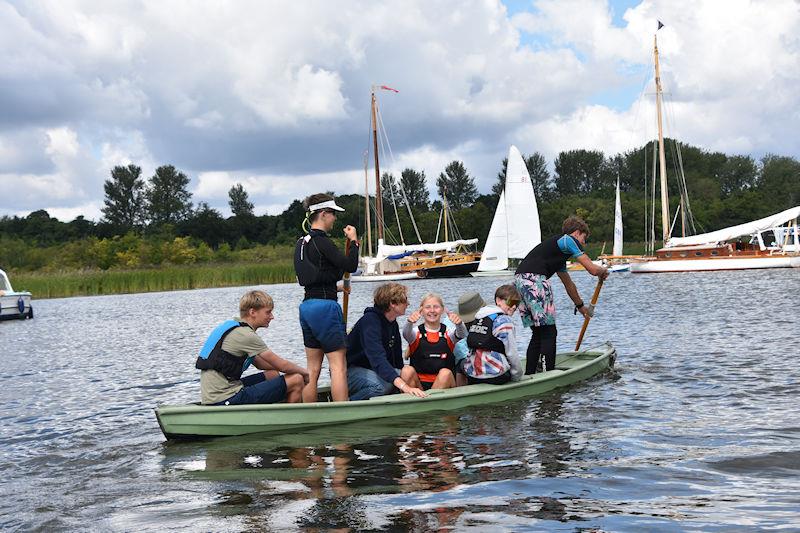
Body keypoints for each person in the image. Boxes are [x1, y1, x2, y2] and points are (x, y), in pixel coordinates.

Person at [514, 215, 609, 374]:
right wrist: (602, 271)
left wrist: (580, 306)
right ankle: (547, 373)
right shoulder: (568, 240)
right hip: (534, 281)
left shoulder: (557, 253)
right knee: (549, 332)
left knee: (538, 333)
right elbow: (592, 269)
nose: (584, 243)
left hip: (519, 283)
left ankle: (530, 374)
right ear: (577, 233)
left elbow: (568, 284)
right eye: (584, 238)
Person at [294, 192, 359, 403]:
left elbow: (314, 277)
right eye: (333, 214)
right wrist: (354, 242)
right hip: (325, 308)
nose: (335, 219)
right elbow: (350, 266)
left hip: (307, 307)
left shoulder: (301, 243)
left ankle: (309, 413)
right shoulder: (322, 242)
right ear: (323, 214)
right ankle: (342, 413)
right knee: (338, 364)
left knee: (312, 368)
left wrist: (337, 288)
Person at [195, 290, 309, 405]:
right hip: (224, 398)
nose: (272, 317)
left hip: (218, 394)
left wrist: (291, 370)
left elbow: (261, 364)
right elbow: (281, 365)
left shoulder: (234, 328)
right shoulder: (246, 335)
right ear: (253, 312)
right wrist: (305, 373)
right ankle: (289, 419)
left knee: (273, 374)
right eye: (268, 312)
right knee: (297, 380)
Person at [346, 282, 427, 400]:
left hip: (373, 369)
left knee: (408, 371)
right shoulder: (370, 322)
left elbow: (397, 361)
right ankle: (350, 405)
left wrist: (407, 381)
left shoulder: (392, 323)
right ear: (392, 304)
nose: (408, 304)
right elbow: (378, 358)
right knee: (382, 386)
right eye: (405, 300)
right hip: (351, 370)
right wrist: (405, 387)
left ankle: (421, 399)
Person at [459, 285, 523, 385]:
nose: (514, 306)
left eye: (517, 303)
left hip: (473, 375)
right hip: (496, 376)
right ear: (498, 300)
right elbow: (512, 353)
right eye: (511, 302)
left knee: (460, 364)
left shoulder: (478, 317)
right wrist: (517, 375)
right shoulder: (505, 321)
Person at [403, 292, 468, 390]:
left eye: (436, 307)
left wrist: (459, 323)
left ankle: (429, 402)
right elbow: (405, 334)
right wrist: (409, 322)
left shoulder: (448, 332)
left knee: (445, 373)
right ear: (421, 310)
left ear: (442, 310)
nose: (432, 311)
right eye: (428, 307)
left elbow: (462, 334)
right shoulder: (415, 332)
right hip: (419, 386)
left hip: (444, 383)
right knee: (406, 370)